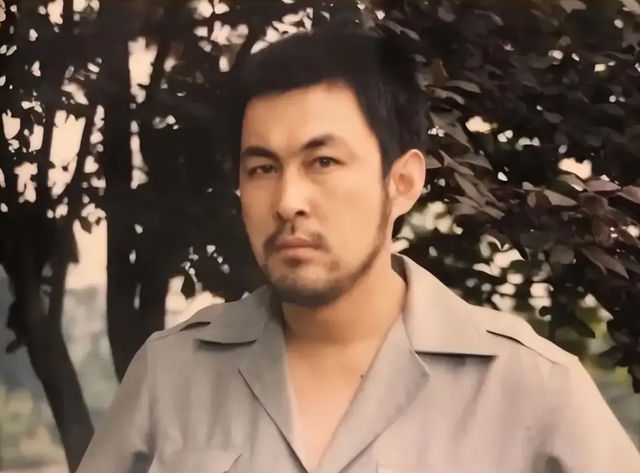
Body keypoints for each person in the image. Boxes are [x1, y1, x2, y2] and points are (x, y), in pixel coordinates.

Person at [77, 24, 640, 473]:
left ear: (402, 183)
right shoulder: (170, 375)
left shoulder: (531, 388)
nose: (288, 201)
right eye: (263, 168)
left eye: (323, 161)